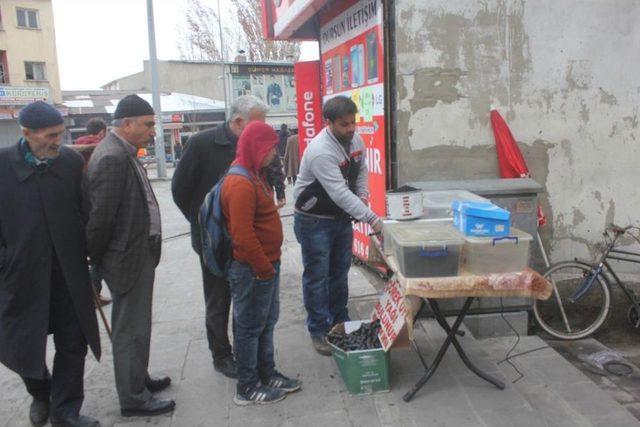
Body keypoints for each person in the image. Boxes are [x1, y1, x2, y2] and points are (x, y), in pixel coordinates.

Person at [0, 101, 101, 427]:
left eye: (60, 134)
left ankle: (65, 411)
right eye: (50, 135)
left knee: (74, 343)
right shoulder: (2, 167)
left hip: (68, 275)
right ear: (26, 133)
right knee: (19, 346)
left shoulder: (70, 162)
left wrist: (94, 262)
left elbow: (85, 212)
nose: (58, 141)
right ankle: (41, 390)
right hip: (21, 276)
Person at [85, 95, 175, 417]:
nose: (153, 131)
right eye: (148, 125)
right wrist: (94, 264)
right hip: (126, 258)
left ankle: (139, 378)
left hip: (138, 253)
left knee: (139, 325)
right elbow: (100, 220)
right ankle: (133, 399)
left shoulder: (123, 152)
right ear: (126, 124)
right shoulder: (111, 157)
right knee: (130, 329)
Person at [171, 95, 268, 378]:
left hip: (245, 237)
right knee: (218, 299)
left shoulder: (250, 144)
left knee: (245, 295)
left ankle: (244, 349)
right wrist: (203, 222)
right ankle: (221, 355)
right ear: (238, 122)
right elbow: (179, 189)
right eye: (256, 124)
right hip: (214, 242)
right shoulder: (203, 143)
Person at [293, 96, 382, 356]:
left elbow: (361, 168)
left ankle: (340, 319)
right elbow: (339, 193)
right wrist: (372, 219)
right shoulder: (321, 150)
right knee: (317, 276)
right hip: (314, 220)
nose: (351, 128)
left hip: (339, 218)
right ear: (329, 123)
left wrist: (363, 194)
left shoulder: (355, 139)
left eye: (353, 122)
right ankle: (319, 329)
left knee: (339, 272)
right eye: (344, 124)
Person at [221, 121, 301, 405]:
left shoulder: (255, 174)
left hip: (266, 266)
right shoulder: (241, 182)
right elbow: (242, 235)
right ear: (255, 147)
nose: (273, 155)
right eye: (270, 149)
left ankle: (267, 373)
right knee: (249, 327)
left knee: (266, 323)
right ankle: (248, 386)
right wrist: (264, 268)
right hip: (254, 269)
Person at [72, 118, 112, 307]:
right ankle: (92, 293)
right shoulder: (101, 146)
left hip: (81, 204)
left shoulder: (76, 145)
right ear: (102, 132)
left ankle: (92, 292)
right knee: (98, 255)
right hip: (94, 202)